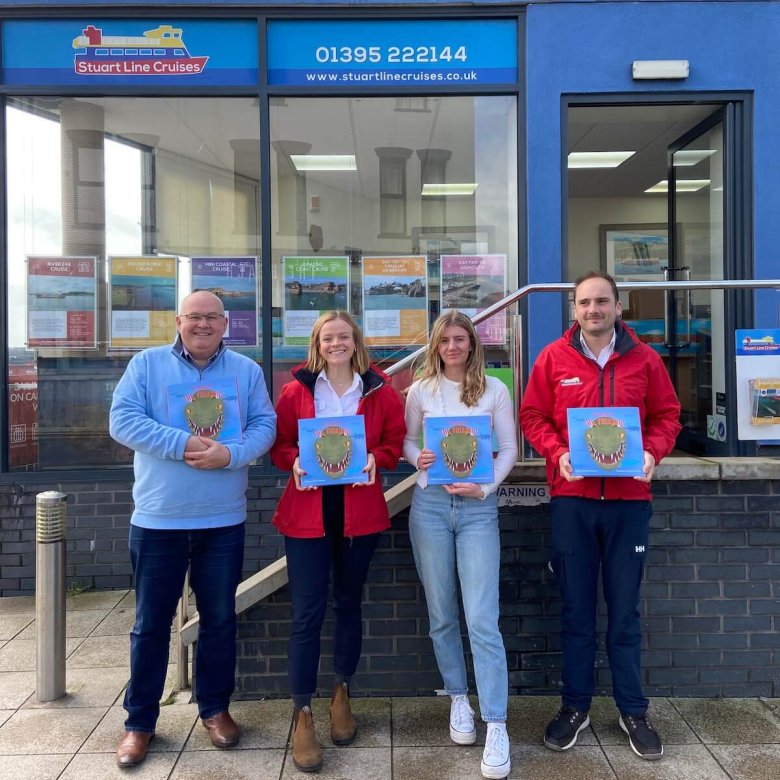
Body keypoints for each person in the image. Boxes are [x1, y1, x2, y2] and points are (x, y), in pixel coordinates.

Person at [109, 290, 276, 768]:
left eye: (212, 318)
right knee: (149, 626)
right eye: (194, 317)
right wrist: (182, 442)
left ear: (226, 324)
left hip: (223, 519)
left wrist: (233, 453)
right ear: (179, 321)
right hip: (159, 517)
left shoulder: (246, 372)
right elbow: (122, 422)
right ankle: (139, 723)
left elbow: (266, 423)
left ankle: (216, 709)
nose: (203, 324)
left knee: (220, 621)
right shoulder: (146, 364)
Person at [519, 271, 681, 761]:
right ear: (574, 310)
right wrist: (556, 452)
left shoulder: (645, 359)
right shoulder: (553, 358)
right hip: (573, 500)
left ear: (617, 307)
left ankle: (633, 710)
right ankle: (576, 707)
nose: (593, 309)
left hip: (630, 504)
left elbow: (667, 416)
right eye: (585, 302)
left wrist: (652, 453)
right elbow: (532, 416)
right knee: (575, 610)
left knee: (625, 613)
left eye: (602, 301)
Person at [270, 311, 405, 773]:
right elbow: (280, 446)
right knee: (306, 612)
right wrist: (292, 462)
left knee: (349, 603)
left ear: (355, 342)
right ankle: (302, 711)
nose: (336, 344)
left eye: (343, 336)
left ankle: (342, 692)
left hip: (358, 512)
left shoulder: (380, 390)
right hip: (307, 511)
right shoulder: (296, 391)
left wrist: (376, 458)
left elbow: (393, 440)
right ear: (318, 343)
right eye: (328, 337)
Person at [403, 310, 518, 780]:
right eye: (445, 340)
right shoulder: (420, 390)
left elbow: (509, 450)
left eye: (460, 339)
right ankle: (458, 699)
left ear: (472, 343)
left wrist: (486, 489)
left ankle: (496, 722)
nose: (452, 347)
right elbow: (407, 444)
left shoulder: (494, 389)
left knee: (482, 619)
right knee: (443, 615)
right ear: (436, 345)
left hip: (477, 511)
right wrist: (420, 458)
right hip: (429, 506)